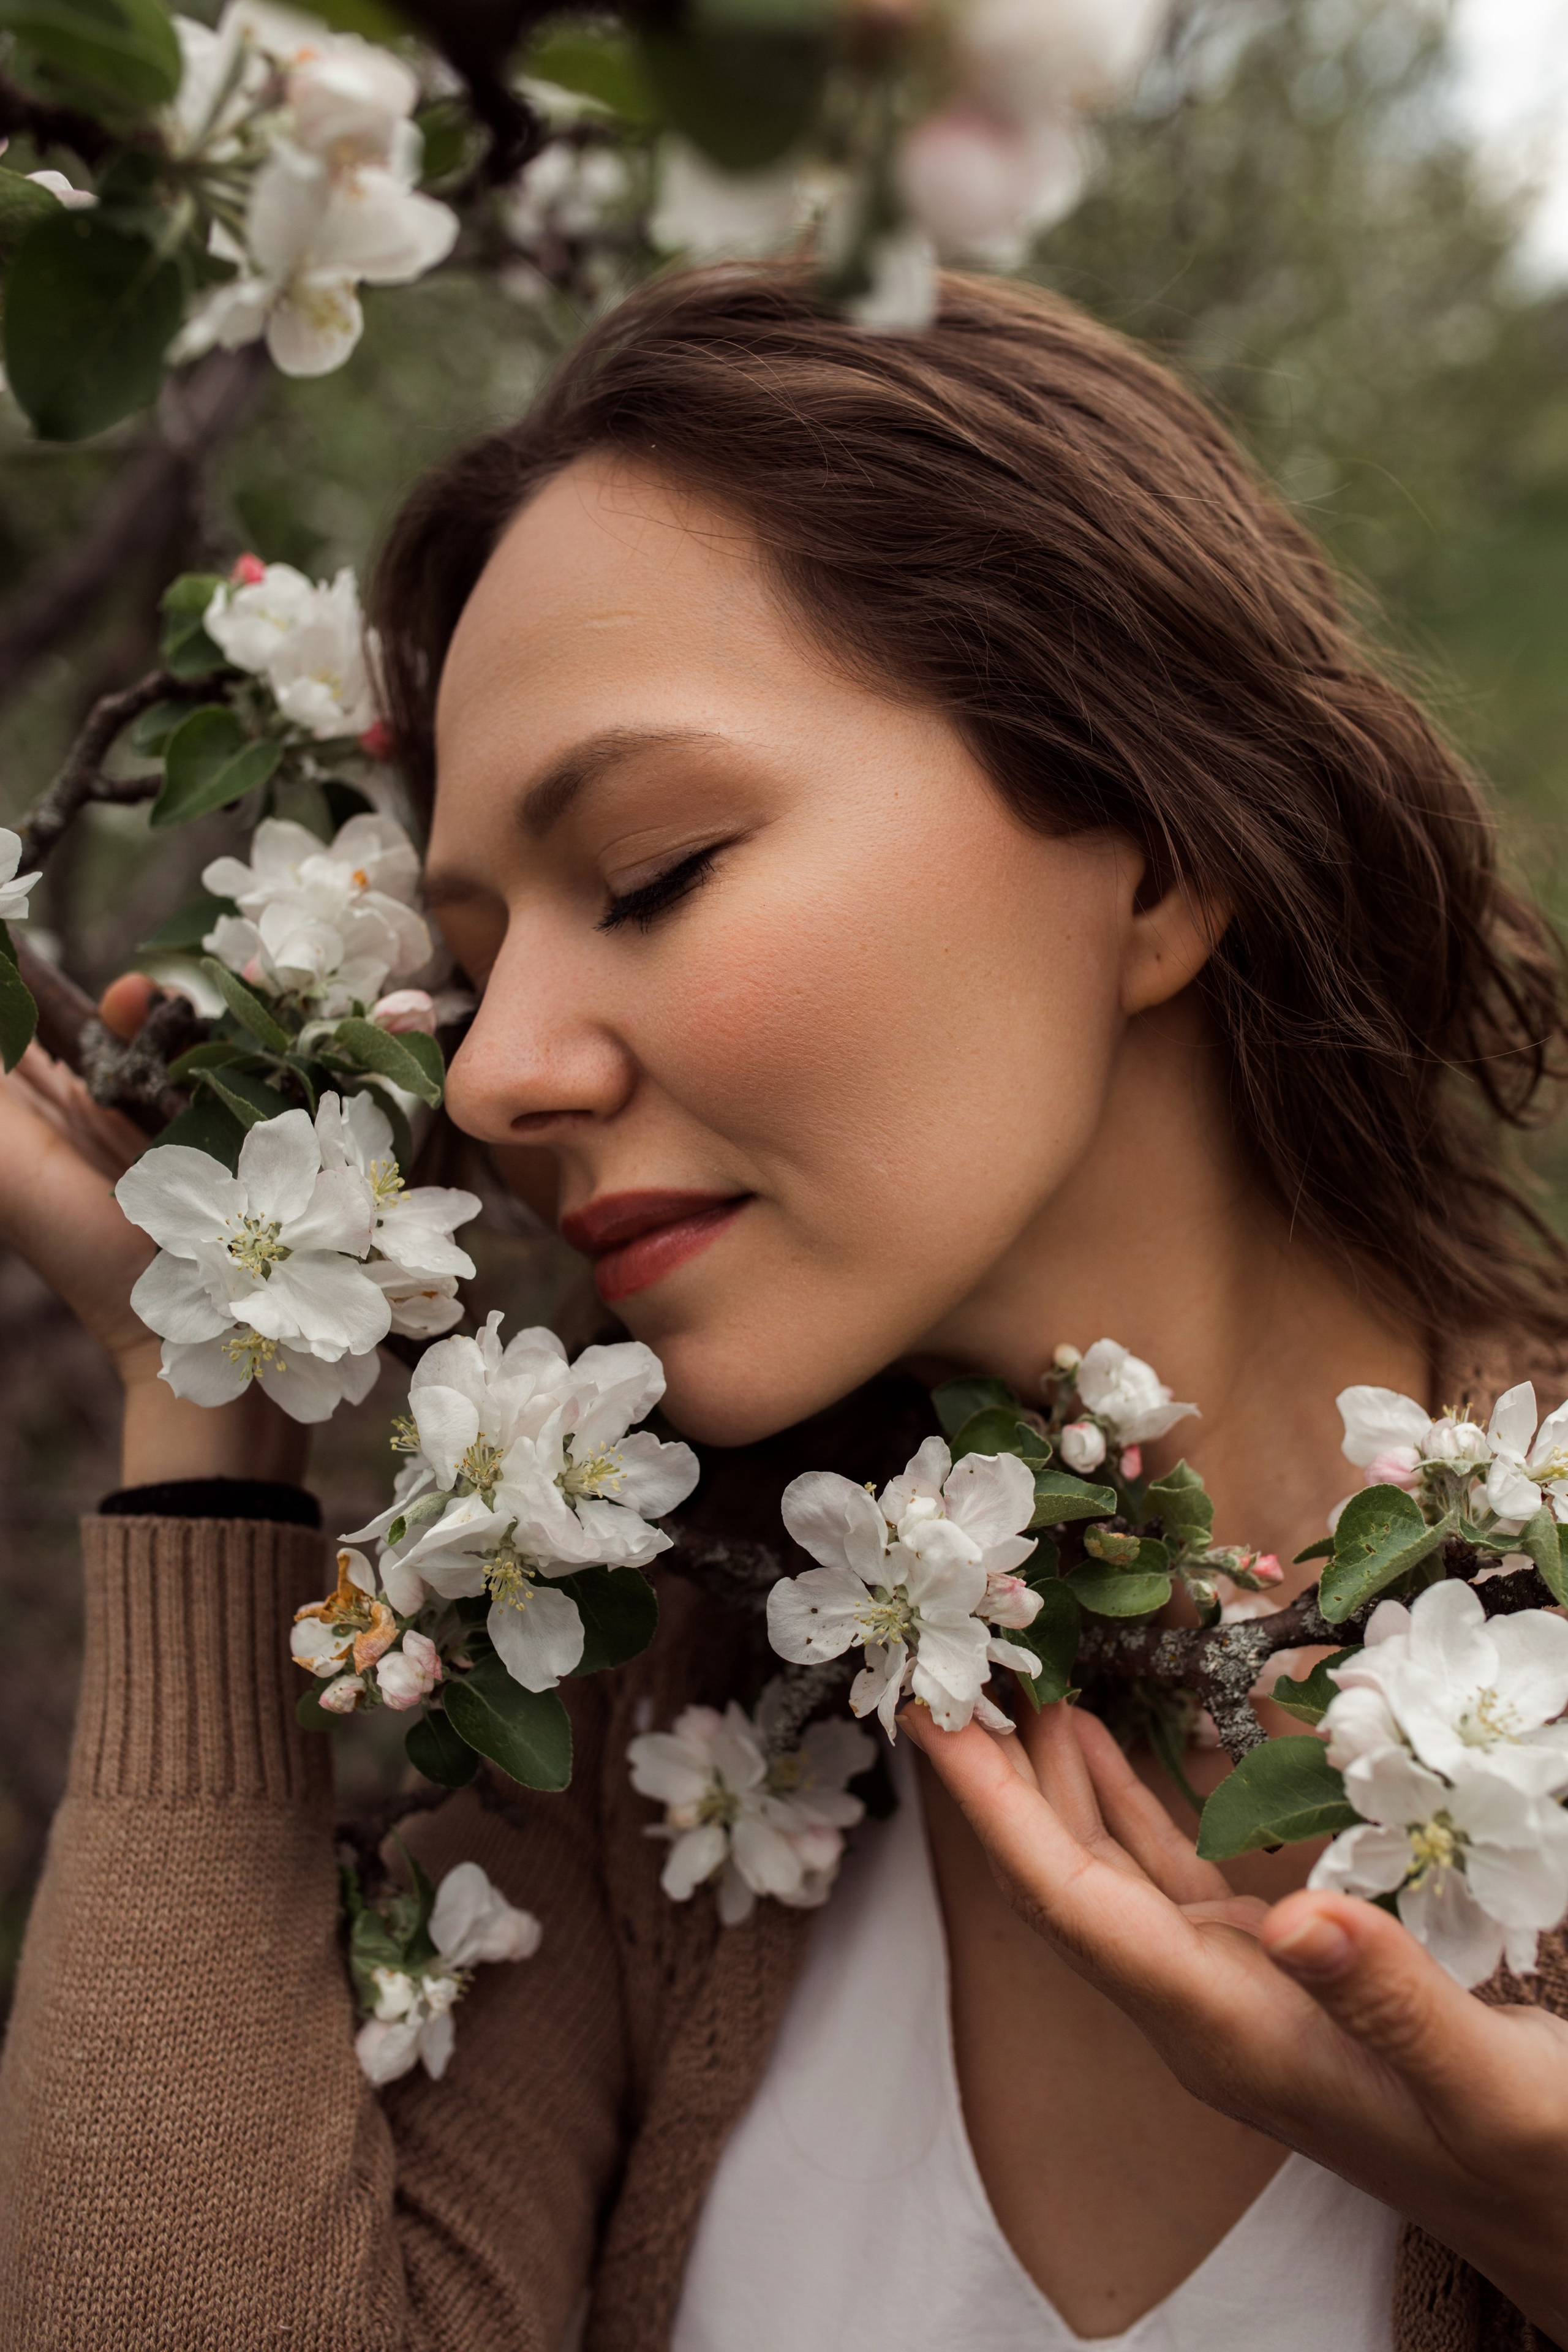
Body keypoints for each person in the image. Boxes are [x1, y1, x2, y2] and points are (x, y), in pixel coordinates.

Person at [1, 263, 1566, 2352]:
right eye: (469, 971)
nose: (491, 1074)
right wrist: (204, 1379)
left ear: (1153, 858)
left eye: (650, 872)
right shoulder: (674, 1737)